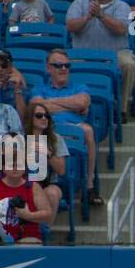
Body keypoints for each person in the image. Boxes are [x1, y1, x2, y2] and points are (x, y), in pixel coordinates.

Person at [66, 0, 135, 119]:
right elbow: (70, 26)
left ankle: (121, 109)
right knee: (62, 64)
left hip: (114, 53)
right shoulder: (79, 3)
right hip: (83, 54)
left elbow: (121, 29)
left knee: (129, 64)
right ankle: (72, 106)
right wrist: (87, 17)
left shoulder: (123, 6)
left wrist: (101, 15)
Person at [30, 50, 98, 202]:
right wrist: (70, 105)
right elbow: (35, 106)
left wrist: (49, 104)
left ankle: (89, 183)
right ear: (48, 68)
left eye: (67, 65)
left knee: (87, 130)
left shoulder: (79, 87)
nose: (63, 69)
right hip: (46, 130)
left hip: (72, 131)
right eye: (58, 65)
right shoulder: (39, 88)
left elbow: (82, 102)